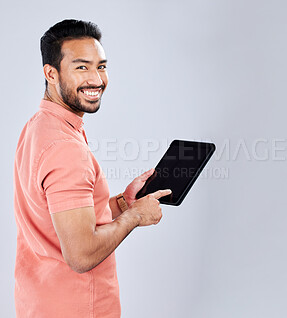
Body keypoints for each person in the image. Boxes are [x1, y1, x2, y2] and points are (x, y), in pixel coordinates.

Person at [13, 19, 171, 318]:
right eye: (82, 67)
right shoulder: (65, 148)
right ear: (51, 73)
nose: (97, 79)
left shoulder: (38, 127)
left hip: (39, 302)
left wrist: (124, 203)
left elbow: (61, 221)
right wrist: (136, 217)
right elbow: (81, 255)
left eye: (101, 66)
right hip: (78, 308)